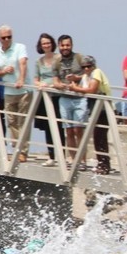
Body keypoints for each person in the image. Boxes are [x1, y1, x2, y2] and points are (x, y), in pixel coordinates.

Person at [69, 55, 113, 174]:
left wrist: (75, 88)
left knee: (100, 137)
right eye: (84, 67)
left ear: (93, 66)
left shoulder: (97, 72)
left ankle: (104, 165)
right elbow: (84, 88)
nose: (87, 69)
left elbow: (92, 89)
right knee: (97, 137)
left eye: (89, 66)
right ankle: (102, 163)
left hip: (103, 109)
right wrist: (74, 83)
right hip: (94, 109)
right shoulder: (85, 76)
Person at [0, 25, 30, 162]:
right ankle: (16, 149)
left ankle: (23, 152)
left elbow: (23, 63)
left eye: (9, 37)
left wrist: (21, 79)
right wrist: (3, 72)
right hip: (8, 91)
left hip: (23, 90)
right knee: (11, 122)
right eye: (4, 37)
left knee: (23, 121)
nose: (7, 39)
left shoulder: (20, 47)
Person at [53, 36, 88, 166]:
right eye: (63, 46)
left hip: (79, 97)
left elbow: (87, 74)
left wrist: (76, 77)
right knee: (68, 130)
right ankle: (74, 160)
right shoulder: (57, 62)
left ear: (71, 45)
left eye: (67, 45)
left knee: (79, 129)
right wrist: (59, 85)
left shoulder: (79, 58)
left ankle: (83, 160)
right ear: (59, 46)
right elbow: (55, 79)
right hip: (65, 98)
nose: (65, 48)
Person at [33, 33, 61, 166]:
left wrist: (52, 85)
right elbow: (35, 79)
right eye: (43, 43)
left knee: (60, 125)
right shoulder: (39, 61)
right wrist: (40, 85)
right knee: (48, 127)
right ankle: (51, 156)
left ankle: (62, 156)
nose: (46, 45)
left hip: (57, 95)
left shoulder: (59, 58)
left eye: (48, 43)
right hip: (44, 97)